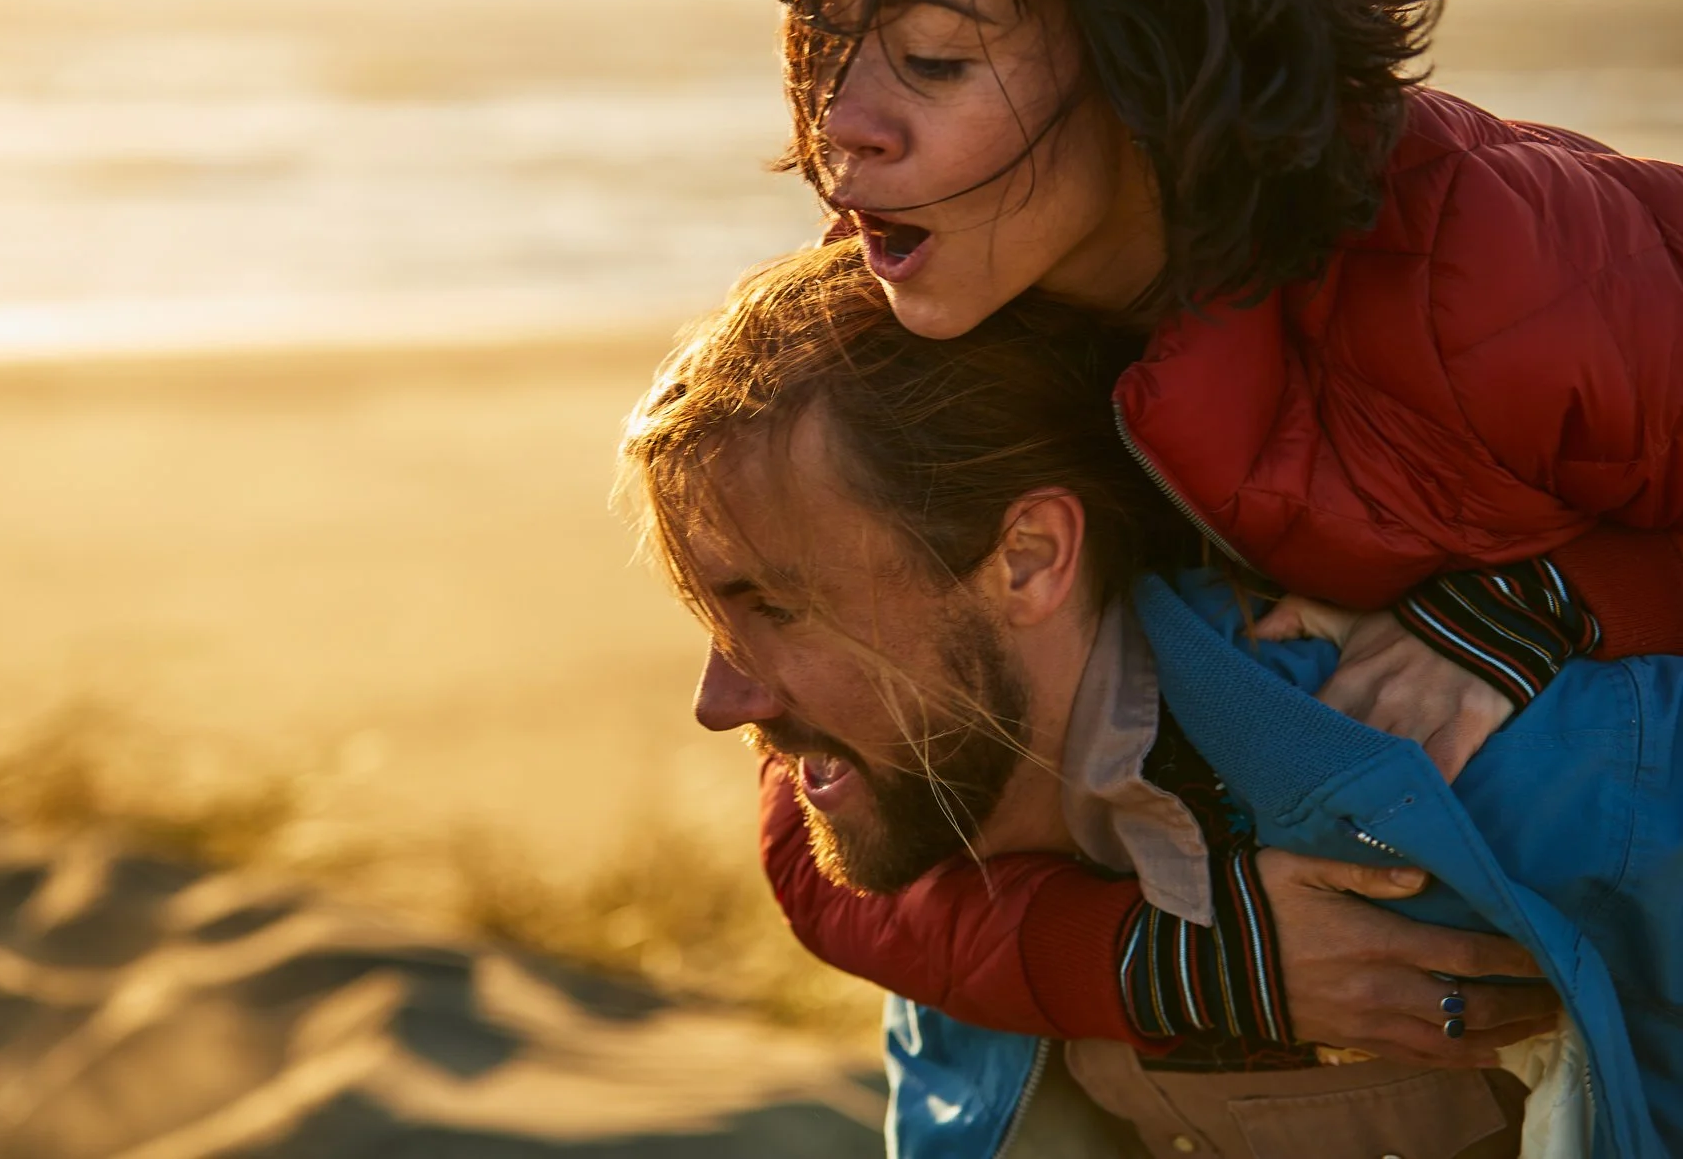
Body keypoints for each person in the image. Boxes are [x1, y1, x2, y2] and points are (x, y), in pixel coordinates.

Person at [751, 0, 1683, 1067]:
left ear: (1157, 56)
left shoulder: (1480, 257)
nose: (839, 121)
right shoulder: (898, 325)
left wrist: (1558, 600)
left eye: (929, 54)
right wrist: (1169, 960)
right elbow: (812, 832)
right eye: (821, 30)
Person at [618, 244, 1679, 1157]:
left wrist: (1570, 592)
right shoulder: (932, 792)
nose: (719, 702)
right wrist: (1151, 966)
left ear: (1028, 558)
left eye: (774, 607)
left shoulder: (1414, 762)